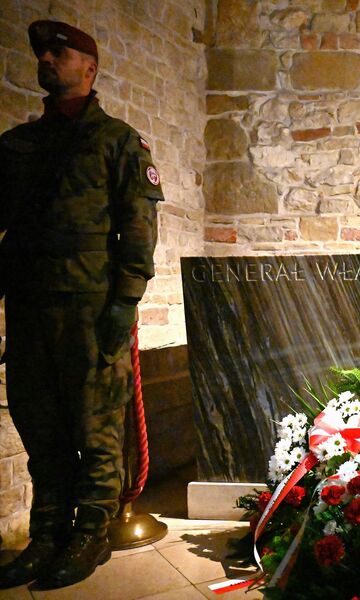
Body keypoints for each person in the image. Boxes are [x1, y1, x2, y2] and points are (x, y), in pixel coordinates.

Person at [0, 20, 163, 589]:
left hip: (91, 312)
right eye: (42, 53)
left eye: (58, 52)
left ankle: (90, 534)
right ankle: (47, 535)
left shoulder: (117, 141)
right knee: (40, 427)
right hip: (29, 310)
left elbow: (138, 228)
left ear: (89, 69)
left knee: (96, 431)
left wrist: (126, 300)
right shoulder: (16, 147)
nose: (46, 59)